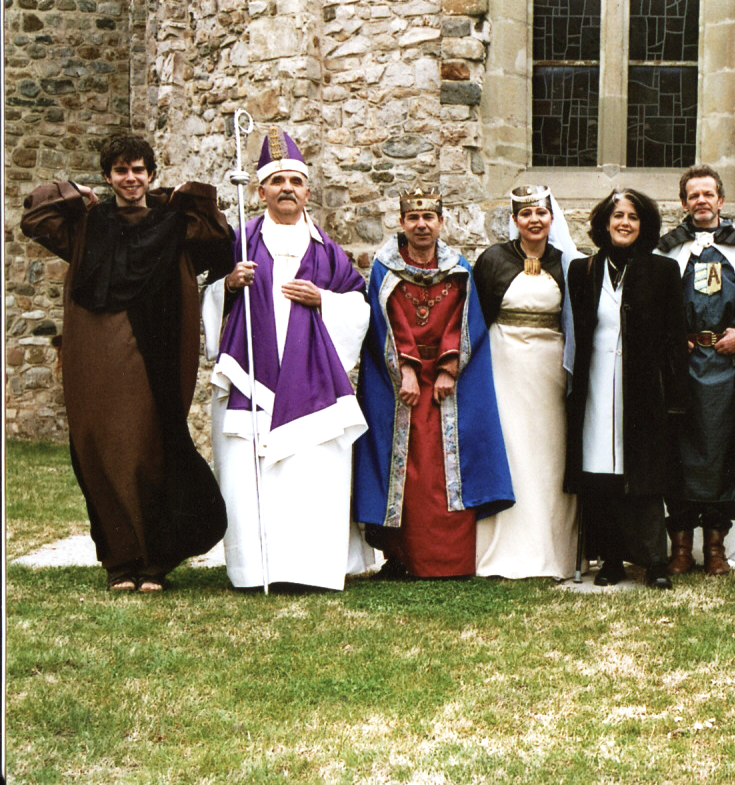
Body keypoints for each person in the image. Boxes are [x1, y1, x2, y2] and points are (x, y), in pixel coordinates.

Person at [21, 133, 233, 592]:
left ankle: (152, 563)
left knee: (148, 444)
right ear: (107, 176)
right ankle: (121, 561)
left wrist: (175, 198)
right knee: (100, 443)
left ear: (151, 173)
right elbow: (36, 216)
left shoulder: (171, 223)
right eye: (121, 170)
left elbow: (218, 233)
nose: (131, 178)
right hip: (97, 348)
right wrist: (74, 194)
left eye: (139, 169)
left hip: (155, 350)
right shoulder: (85, 225)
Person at [206, 128, 373, 592]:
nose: (286, 189)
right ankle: (257, 570)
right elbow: (204, 301)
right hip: (251, 382)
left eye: (294, 182)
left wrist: (323, 299)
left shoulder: (327, 251)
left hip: (313, 382)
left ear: (307, 190)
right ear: (260, 191)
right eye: (276, 181)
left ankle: (309, 569)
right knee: (249, 474)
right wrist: (227, 286)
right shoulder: (238, 244)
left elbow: (359, 308)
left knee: (312, 472)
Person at [354, 186, 513, 579]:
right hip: (400, 380)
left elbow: (467, 319)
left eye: (429, 218)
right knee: (405, 465)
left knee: (445, 466)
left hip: (446, 379)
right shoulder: (383, 268)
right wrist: (405, 368)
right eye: (413, 218)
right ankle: (402, 558)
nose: (421, 225)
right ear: (402, 222)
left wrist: (448, 368)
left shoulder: (459, 267)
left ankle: (451, 561)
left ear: (441, 222)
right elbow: (383, 321)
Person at [566, 189, 688, 589]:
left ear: (644, 225)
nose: (624, 223)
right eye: (617, 216)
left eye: (633, 217)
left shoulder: (663, 271)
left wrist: (674, 394)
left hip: (644, 388)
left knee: (646, 473)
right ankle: (612, 559)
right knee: (602, 472)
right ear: (604, 222)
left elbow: (674, 337)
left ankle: (654, 561)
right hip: (598, 383)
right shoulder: (582, 271)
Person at [654, 165, 735, 576]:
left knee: (721, 455)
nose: (701, 201)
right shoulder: (667, 249)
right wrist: (671, 336)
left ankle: (715, 547)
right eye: (693, 195)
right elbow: (654, 306)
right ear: (684, 202)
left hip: (727, 368)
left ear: (721, 200)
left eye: (708, 194)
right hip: (682, 370)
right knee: (680, 455)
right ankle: (681, 546)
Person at [471, 185, 580, 579]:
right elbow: (476, 319)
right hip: (505, 363)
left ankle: (554, 553)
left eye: (541, 213)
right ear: (514, 220)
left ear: (552, 218)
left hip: (550, 367)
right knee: (513, 448)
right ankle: (504, 552)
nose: (534, 220)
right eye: (525, 214)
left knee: (549, 453)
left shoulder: (567, 264)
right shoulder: (492, 260)